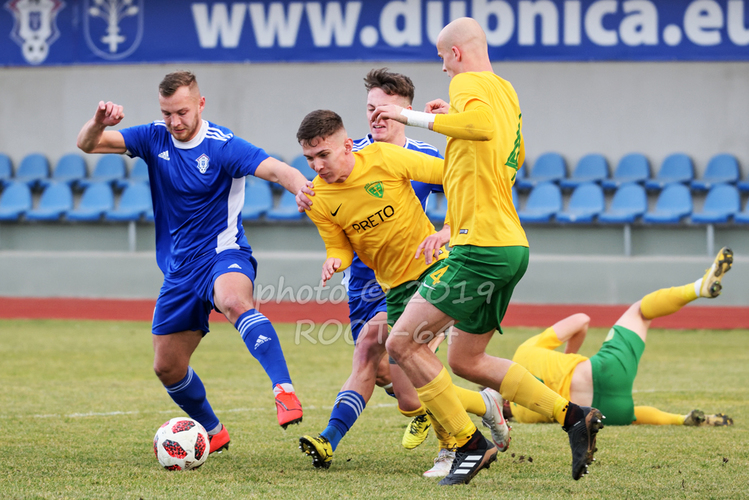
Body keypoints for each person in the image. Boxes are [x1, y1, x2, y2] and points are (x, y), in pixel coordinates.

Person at [369, 17, 602, 485]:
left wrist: (411, 117)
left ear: (455, 54)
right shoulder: (504, 90)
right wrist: (448, 125)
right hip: (508, 243)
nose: (442, 69)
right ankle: (573, 416)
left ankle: (467, 444)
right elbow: (500, 152)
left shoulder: (468, 82)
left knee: (400, 343)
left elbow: (475, 125)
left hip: (482, 247)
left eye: (441, 58)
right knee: (466, 361)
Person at [76, 71, 306, 454]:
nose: (174, 122)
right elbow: (88, 144)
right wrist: (97, 122)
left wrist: (304, 191)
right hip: (179, 270)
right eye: (167, 113)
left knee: (234, 301)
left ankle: (284, 391)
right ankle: (213, 430)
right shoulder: (153, 136)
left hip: (223, 253)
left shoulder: (223, 145)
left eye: (181, 112)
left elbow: (279, 170)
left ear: (200, 104)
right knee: (167, 367)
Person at [295, 69, 509, 478]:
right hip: (367, 283)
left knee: (387, 351)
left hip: (423, 273)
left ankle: (449, 447)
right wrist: (331, 255)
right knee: (396, 382)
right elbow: (336, 239)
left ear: (406, 111)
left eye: (386, 110)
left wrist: (449, 231)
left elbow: (463, 184)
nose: (377, 117)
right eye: (371, 109)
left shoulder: (414, 155)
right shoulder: (337, 170)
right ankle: (482, 405)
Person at [505, 247, 734, 428]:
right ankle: (698, 288)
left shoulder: (524, 416)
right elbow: (582, 320)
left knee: (632, 416)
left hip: (609, 412)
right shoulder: (522, 353)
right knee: (640, 311)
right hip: (601, 371)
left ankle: (680, 419)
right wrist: (569, 356)